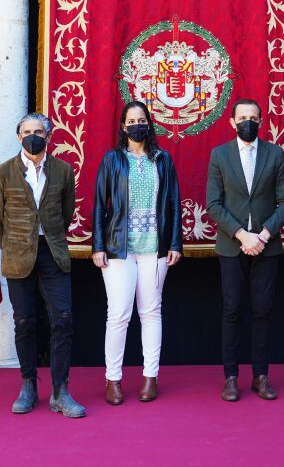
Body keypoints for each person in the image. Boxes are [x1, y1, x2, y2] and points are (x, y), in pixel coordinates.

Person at [0, 112, 86, 418]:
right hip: (18, 255)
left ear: (49, 136)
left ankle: (61, 391)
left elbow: (66, 211)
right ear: (19, 137)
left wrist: (49, 238)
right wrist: (14, 244)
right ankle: (28, 385)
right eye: (28, 131)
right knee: (24, 321)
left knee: (63, 320)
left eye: (39, 131)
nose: (34, 136)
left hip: (53, 253)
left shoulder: (63, 170)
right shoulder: (2, 173)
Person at [92, 101, 182, 405]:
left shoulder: (163, 160)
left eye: (141, 120)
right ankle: (113, 380)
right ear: (123, 127)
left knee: (151, 312)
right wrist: (98, 246)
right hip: (119, 248)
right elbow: (98, 204)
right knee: (118, 315)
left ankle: (150, 377)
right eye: (131, 120)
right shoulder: (113, 160)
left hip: (154, 249)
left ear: (149, 124)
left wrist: (174, 243)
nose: (137, 125)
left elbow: (173, 203)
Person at [206, 98, 284, 401]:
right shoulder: (219, 155)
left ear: (261, 121)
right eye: (242, 117)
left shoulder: (275, 154)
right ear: (232, 122)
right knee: (231, 311)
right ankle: (231, 377)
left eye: (253, 117)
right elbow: (213, 204)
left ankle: (261, 376)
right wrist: (243, 235)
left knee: (263, 312)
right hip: (232, 246)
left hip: (266, 247)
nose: (248, 122)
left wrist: (264, 235)